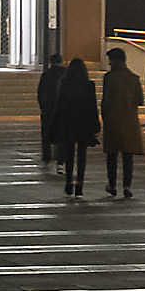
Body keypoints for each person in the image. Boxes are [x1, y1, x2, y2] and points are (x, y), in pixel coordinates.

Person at [102, 46, 145, 196]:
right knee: (128, 156)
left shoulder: (109, 78)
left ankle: (112, 184)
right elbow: (140, 100)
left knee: (112, 155)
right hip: (130, 121)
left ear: (115, 61)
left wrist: (104, 116)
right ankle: (127, 186)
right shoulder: (134, 78)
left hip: (113, 120)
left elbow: (106, 100)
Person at [53, 58, 99, 196]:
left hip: (69, 122)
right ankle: (80, 183)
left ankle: (68, 182)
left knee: (69, 153)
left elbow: (60, 105)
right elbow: (92, 107)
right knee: (82, 155)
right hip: (83, 123)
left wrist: (57, 121)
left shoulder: (65, 84)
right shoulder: (88, 85)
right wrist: (95, 124)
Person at [36, 55, 68, 169]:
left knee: (46, 132)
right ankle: (61, 157)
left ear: (50, 62)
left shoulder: (46, 74)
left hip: (49, 108)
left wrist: (43, 106)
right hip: (63, 108)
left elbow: (41, 92)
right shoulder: (66, 73)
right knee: (62, 133)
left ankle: (46, 155)